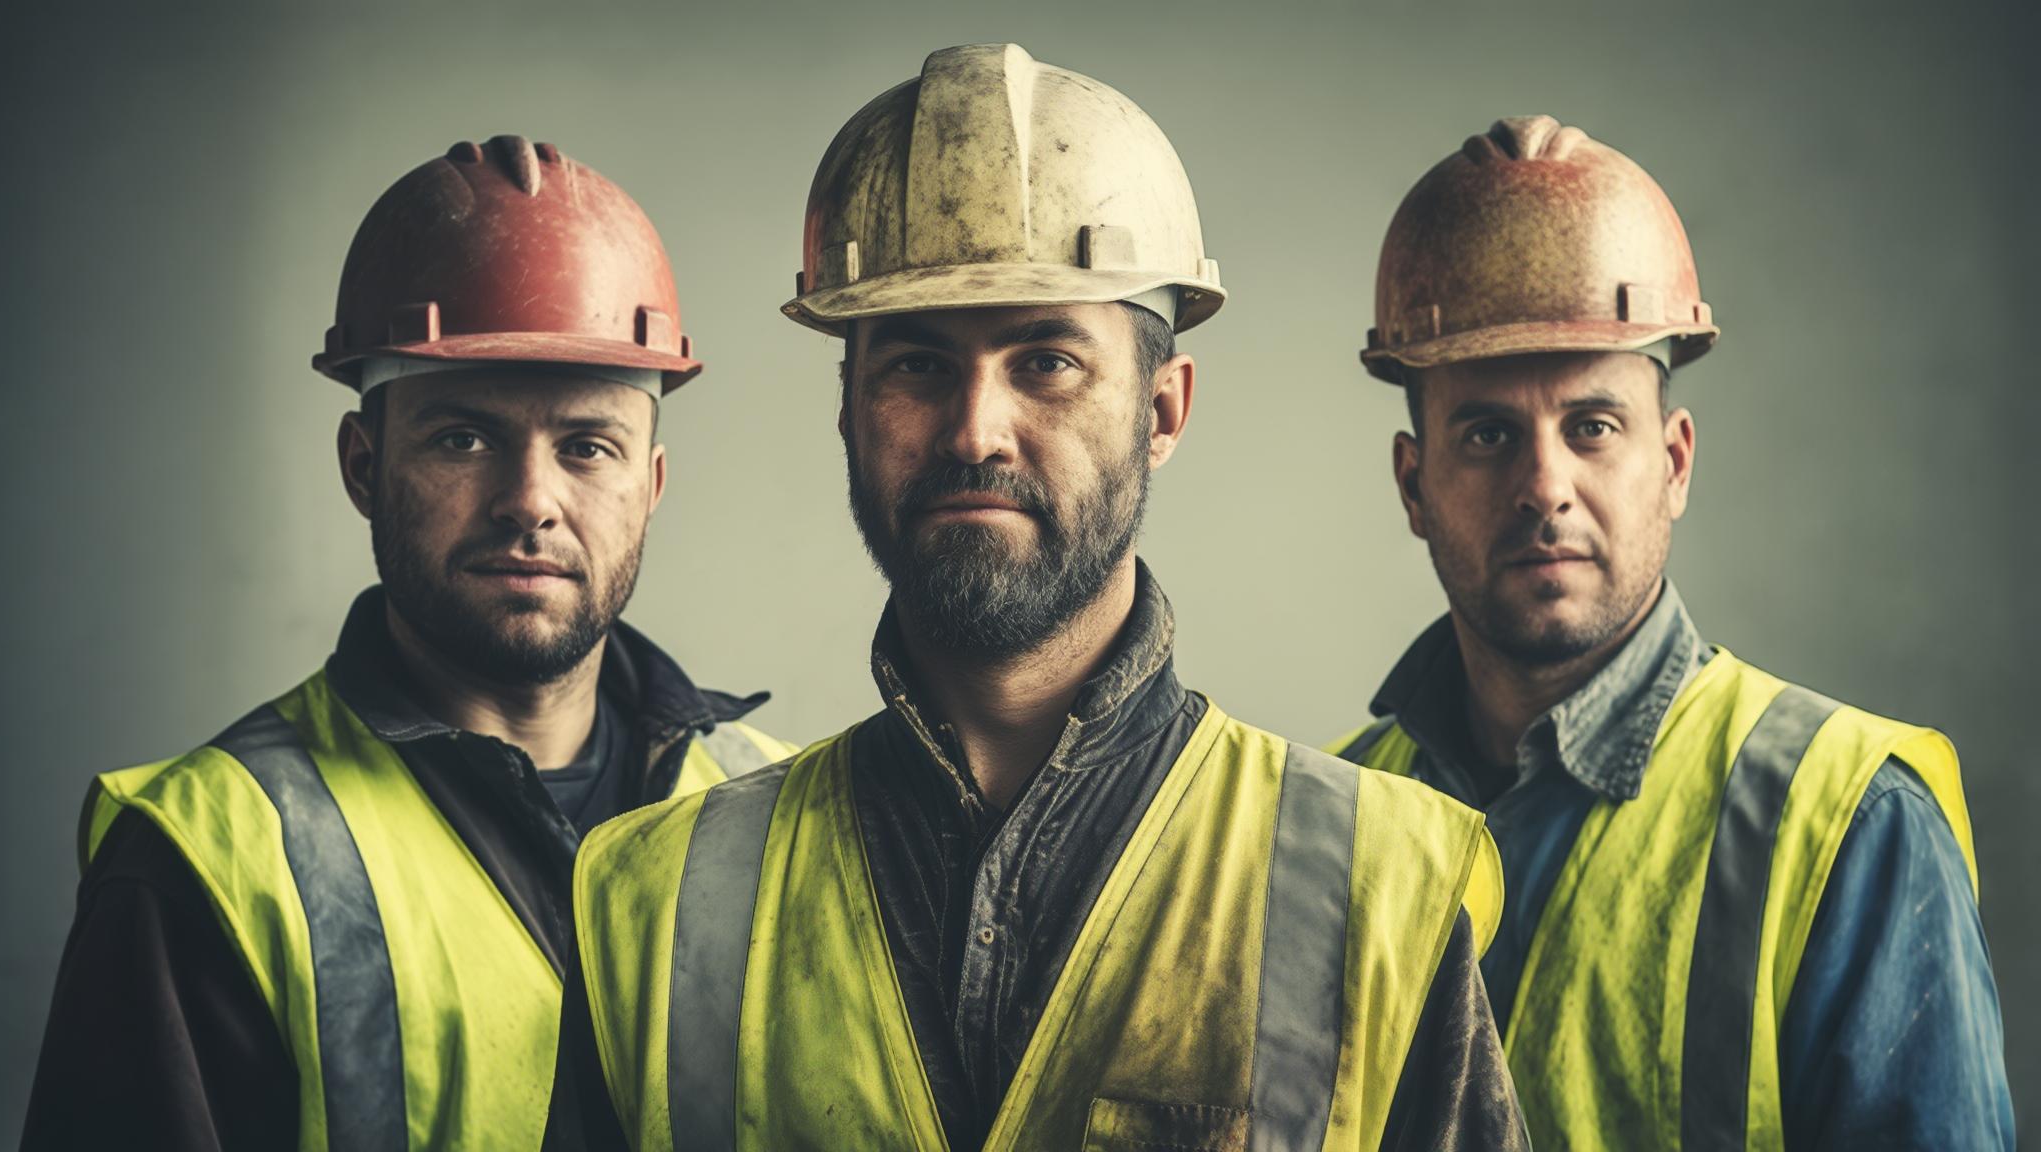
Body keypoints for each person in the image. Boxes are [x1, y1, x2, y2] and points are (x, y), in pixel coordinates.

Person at [546, 45, 1527, 1152]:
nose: (974, 429)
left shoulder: (1378, 882)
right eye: (915, 365)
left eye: (1046, 362)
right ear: (847, 413)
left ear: (1162, 412)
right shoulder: (656, 898)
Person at [22, 135, 793, 1151]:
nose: (530, 503)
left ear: (647, 487)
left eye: (587, 447)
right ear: (362, 465)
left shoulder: (787, 821)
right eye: (461, 438)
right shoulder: (203, 862)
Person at [1332, 114, 2015, 1150]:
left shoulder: (1845, 821)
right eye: (1485, 433)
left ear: (1674, 463)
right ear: (1412, 483)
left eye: (1592, 427)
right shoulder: (1336, 825)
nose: (1542, 488)